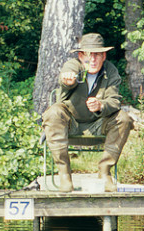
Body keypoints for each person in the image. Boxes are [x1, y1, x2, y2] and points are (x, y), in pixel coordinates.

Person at [42, 33, 134, 192]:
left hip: (98, 125)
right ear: (80, 55)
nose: (93, 60)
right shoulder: (73, 65)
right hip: (70, 125)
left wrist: (101, 105)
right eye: (89, 55)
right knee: (53, 113)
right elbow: (67, 75)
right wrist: (67, 81)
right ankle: (64, 175)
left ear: (104, 56)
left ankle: (105, 172)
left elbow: (114, 101)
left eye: (97, 55)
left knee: (124, 119)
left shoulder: (110, 71)